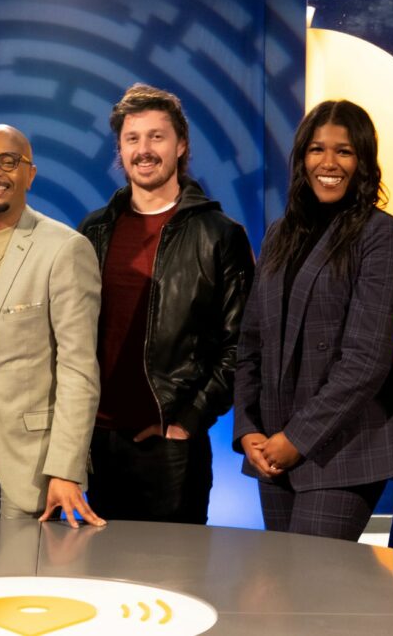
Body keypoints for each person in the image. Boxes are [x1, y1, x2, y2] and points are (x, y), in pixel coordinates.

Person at [232, 100, 393, 540]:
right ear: (301, 159)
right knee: (284, 591)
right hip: (272, 446)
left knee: (313, 590)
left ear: (363, 161)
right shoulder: (279, 232)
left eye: (344, 151)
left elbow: (366, 360)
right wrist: (248, 429)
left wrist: (297, 439)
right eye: (316, 149)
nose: (328, 163)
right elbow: (250, 340)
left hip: (344, 449)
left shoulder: (381, 234)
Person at [77, 83, 253, 524]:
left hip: (173, 449)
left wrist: (189, 418)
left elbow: (242, 345)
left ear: (181, 145)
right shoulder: (93, 230)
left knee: (173, 585)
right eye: (132, 138)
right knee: (97, 584)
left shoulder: (219, 234)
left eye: (157, 136)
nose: (144, 150)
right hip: (95, 443)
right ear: (119, 148)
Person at [0, 124, 105, 528]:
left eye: (8, 161)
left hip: (35, 464)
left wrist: (66, 466)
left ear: (30, 174)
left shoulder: (65, 248)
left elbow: (79, 368)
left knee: (28, 582)